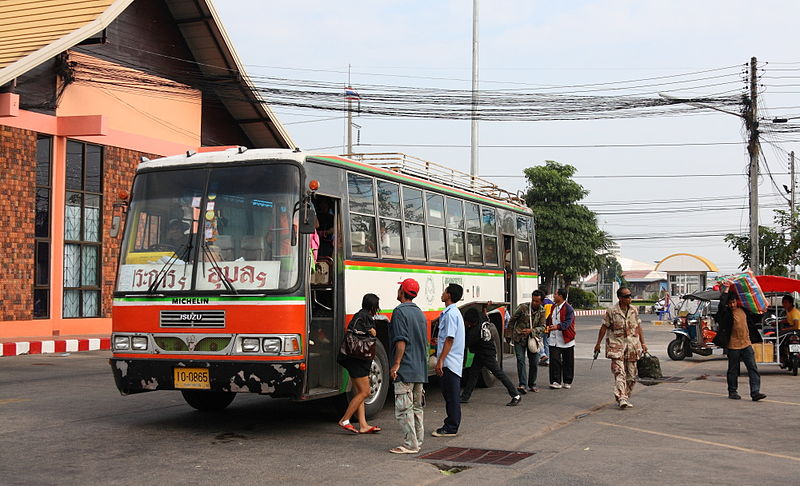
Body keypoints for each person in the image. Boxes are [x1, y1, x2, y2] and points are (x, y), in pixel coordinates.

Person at [388, 278, 428, 454]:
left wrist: (396, 364)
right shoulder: (420, 313)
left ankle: (410, 444)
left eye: (399, 289)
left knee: (404, 408)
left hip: (405, 368)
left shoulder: (399, 312)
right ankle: (417, 440)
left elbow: (401, 342)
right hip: (419, 368)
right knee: (417, 407)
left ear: (402, 292)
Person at [594, 287, 647, 409]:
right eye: (626, 296)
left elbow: (638, 327)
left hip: (632, 347)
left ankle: (625, 396)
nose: (629, 298)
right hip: (616, 347)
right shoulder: (612, 311)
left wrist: (643, 343)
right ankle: (621, 397)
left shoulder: (634, 310)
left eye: (630, 295)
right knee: (619, 372)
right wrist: (598, 344)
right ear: (620, 298)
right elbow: (604, 327)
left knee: (632, 376)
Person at [712, 283, 767, 401]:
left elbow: (757, 316)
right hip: (733, 346)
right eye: (730, 303)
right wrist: (726, 290)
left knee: (753, 368)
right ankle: (732, 391)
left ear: (737, 301)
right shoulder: (726, 313)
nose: (732, 305)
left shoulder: (744, 311)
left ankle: (755, 392)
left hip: (746, 345)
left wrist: (763, 310)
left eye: (734, 302)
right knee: (733, 370)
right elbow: (721, 306)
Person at [337, 293, 381, 434]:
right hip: (358, 360)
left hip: (350, 358)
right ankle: (345, 419)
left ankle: (363, 425)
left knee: (359, 392)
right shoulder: (367, 317)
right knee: (365, 392)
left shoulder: (358, 315)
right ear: (373, 306)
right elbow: (373, 334)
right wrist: (373, 331)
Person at [460, 307, 522, 406]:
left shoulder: (474, 332)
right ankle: (465, 397)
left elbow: (463, 344)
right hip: (481, 352)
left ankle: (515, 395)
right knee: (473, 373)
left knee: (499, 374)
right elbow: (484, 313)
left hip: (487, 354)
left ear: (472, 323)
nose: (466, 324)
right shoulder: (481, 318)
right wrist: (485, 307)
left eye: (467, 323)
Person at [432, 283, 465, 437]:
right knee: (449, 395)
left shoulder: (451, 314)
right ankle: (451, 423)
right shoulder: (451, 312)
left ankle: (451, 426)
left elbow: (450, 339)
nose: (443, 293)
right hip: (450, 360)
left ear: (449, 295)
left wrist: (440, 361)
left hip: (450, 362)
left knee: (451, 396)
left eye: (445, 291)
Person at [509, 290, 547, 394]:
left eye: (537, 301)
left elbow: (543, 327)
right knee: (520, 361)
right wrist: (508, 335)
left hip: (533, 340)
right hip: (519, 339)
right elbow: (512, 320)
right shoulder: (522, 307)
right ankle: (522, 384)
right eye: (533, 300)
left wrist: (532, 331)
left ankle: (532, 384)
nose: (534, 303)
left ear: (541, 302)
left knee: (534, 362)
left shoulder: (542, 311)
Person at [546, 288, 576, 389]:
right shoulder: (553, 307)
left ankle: (567, 381)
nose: (553, 296)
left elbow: (568, 323)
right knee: (554, 360)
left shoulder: (569, 309)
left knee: (568, 361)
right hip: (553, 338)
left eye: (555, 294)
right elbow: (549, 319)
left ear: (561, 296)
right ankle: (555, 381)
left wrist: (557, 327)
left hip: (566, 339)